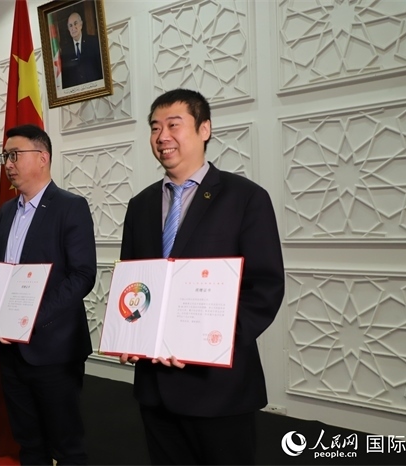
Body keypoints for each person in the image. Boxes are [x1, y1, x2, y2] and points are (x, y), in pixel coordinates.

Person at [118, 88, 285, 465]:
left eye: (173, 125)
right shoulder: (140, 205)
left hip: (218, 389)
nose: (162, 136)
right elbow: (134, 281)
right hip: (155, 388)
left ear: (204, 129)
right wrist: (129, 332)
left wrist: (211, 343)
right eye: (155, 127)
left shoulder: (245, 198)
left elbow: (264, 287)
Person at [0, 124, 96, 464]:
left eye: (14, 155)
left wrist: (31, 317)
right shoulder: (7, 211)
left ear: (42, 157)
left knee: (66, 444)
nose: (8, 164)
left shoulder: (70, 207)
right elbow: (3, 272)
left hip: (54, 347)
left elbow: (82, 275)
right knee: (28, 441)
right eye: (5, 156)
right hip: (10, 349)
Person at [60, 11, 103, 88]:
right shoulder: (65, 49)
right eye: (70, 25)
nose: (73, 28)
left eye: (75, 23)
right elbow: (66, 77)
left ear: (81, 24)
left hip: (95, 87)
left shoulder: (93, 42)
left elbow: (100, 68)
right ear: (68, 29)